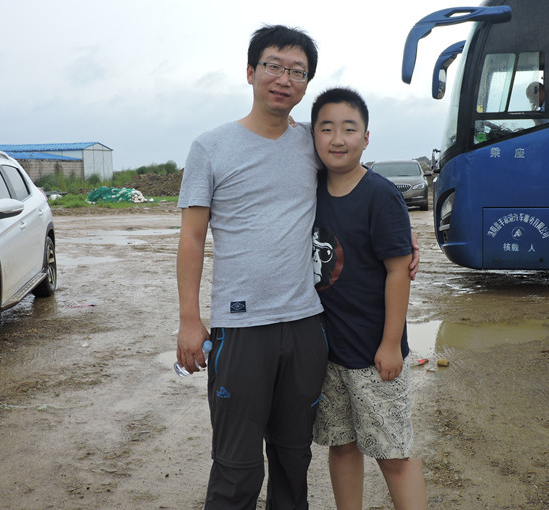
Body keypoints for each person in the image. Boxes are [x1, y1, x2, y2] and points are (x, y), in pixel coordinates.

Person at [176, 25, 420, 509]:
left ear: (307, 83)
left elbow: (355, 178)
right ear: (251, 71)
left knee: (294, 459)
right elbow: (192, 237)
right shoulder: (211, 146)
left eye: (297, 71)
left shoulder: (311, 141)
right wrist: (189, 318)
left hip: (307, 328)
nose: (284, 79)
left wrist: (404, 240)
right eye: (273, 66)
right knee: (237, 465)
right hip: (241, 328)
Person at [310, 87, 427, 510]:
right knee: (341, 446)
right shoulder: (309, 190)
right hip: (327, 352)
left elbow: (399, 270)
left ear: (366, 137)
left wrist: (391, 343)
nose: (337, 139)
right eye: (326, 129)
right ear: (313, 135)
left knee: (393, 454)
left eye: (349, 128)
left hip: (373, 353)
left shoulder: (380, 195)